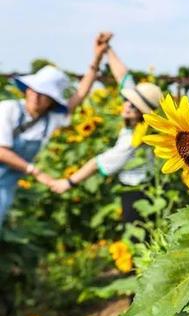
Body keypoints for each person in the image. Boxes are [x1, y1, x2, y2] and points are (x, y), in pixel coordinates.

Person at [0, 33, 111, 229]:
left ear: (52, 101)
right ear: (26, 89)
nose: (36, 96)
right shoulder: (8, 109)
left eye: (44, 94)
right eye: (34, 89)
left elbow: (80, 95)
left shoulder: (48, 121)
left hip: (5, 187)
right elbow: (1, 151)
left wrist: (97, 58)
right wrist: (36, 172)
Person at [50, 42, 163, 222]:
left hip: (138, 192)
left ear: (142, 114)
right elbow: (123, 76)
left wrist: (68, 182)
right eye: (127, 101)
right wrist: (107, 48)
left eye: (134, 106)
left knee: (136, 236)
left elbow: (98, 163)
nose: (127, 105)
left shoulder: (135, 139)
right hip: (141, 187)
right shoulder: (135, 126)